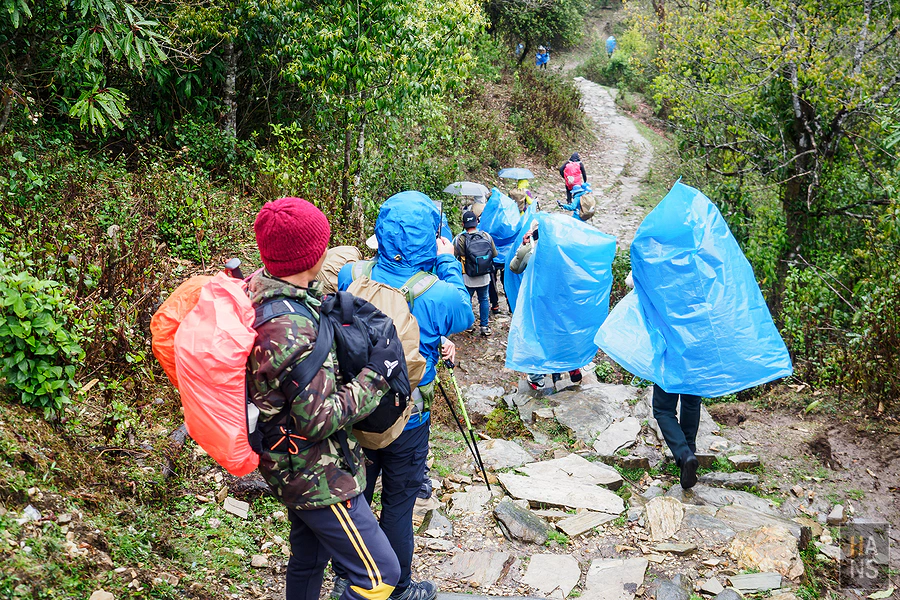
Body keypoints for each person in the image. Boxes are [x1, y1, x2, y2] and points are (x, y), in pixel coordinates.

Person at [246, 197, 402, 600]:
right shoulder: (290, 328)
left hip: (288, 462)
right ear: (312, 256)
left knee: (309, 559)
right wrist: (377, 374)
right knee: (381, 575)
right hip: (315, 474)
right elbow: (318, 419)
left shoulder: (264, 290)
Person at [335, 191, 474, 600]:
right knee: (398, 504)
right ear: (429, 236)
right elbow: (463, 309)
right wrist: (446, 257)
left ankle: (350, 576)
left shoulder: (352, 274)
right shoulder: (438, 294)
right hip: (407, 417)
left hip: (355, 408)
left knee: (357, 497)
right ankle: (397, 589)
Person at [508, 224, 582, 390]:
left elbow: (514, 268)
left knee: (535, 335)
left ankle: (537, 378)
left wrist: (524, 245)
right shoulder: (564, 250)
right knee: (562, 331)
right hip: (562, 301)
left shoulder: (530, 251)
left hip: (538, 302)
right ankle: (571, 364)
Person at [454, 210, 499, 336]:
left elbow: (454, 255)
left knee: (467, 299)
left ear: (463, 224)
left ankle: (468, 325)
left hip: (468, 276)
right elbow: (494, 254)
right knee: (483, 299)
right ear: (477, 222)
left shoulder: (460, 239)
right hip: (484, 275)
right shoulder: (486, 236)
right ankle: (484, 326)